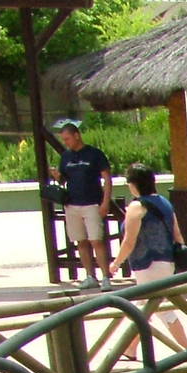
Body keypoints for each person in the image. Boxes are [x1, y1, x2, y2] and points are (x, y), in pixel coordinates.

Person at [109, 164, 187, 360]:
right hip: (166, 260)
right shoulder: (164, 202)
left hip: (148, 263)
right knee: (143, 308)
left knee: (161, 310)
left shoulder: (137, 206)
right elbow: (177, 234)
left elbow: (129, 241)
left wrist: (116, 263)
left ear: (134, 184)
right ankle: (130, 349)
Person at [49, 118, 114, 291]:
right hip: (72, 204)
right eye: (64, 140)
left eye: (68, 139)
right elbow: (64, 179)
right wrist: (57, 176)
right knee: (81, 241)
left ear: (76, 136)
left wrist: (105, 202)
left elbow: (107, 178)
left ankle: (106, 277)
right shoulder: (66, 156)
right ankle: (90, 275)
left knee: (96, 240)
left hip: (92, 202)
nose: (66, 142)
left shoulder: (94, 154)